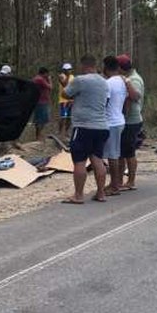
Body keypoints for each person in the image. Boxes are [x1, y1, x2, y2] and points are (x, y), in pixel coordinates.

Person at [62, 55, 110, 204]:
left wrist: (64, 83)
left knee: (79, 161)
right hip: (101, 126)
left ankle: (78, 195)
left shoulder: (80, 80)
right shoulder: (104, 82)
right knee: (97, 159)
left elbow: (65, 93)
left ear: (83, 66)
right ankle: (101, 193)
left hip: (83, 126)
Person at [101, 55, 132, 197]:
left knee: (112, 156)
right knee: (116, 154)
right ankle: (115, 182)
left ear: (106, 68)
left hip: (111, 122)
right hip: (120, 120)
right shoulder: (122, 81)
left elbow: (104, 103)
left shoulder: (108, 83)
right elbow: (127, 101)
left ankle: (114, 186)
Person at [117, 54, 143, 191]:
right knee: (123, 152)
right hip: (127, 120)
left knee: (129, 152)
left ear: (121, 68)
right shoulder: (131, 77)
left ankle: (131, 181)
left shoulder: (134, 80)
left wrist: (126, 84)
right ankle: (120, 180)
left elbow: (135, 96)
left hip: (131, 120)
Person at [31, 67, 52, 141]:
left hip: (42, 101)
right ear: (44, 73)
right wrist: (49, 80)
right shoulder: (39, 79)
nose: (48, 75)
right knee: (40, 120)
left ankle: (39, 135)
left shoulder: (37, 79)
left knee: (43, 119)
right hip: (40, 102)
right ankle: (38, 136)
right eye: (47, 74)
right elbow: (50, 87)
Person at [58, 63, 75, 135]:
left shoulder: (72, 77)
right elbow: (64, 85)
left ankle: (66, 132)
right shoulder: (61, 76)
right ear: (64, 70)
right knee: (63, 117)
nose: (68, 71)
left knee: (69, 117)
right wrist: (67, 76)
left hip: (71, 100)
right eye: (67, 70)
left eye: (69, 69)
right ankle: (60, 132)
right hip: (63, 100)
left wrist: (73, 99)